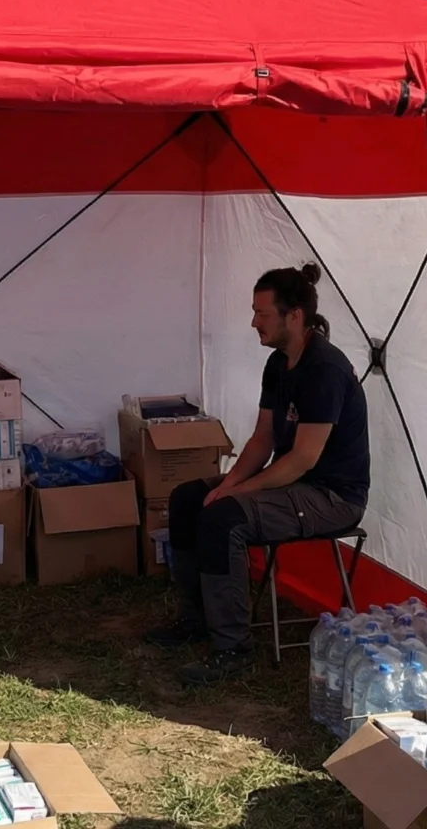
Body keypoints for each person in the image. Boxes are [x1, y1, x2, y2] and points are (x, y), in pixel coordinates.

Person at [146, 262, 370, 685]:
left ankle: (233, 648)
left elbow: (303, 459)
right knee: (188, 499)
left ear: (294, 316)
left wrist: (240, 492)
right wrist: (230, 483)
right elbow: (263, 438)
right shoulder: (278, 364)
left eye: (261, 314)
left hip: (332, 497)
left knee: (224, 519)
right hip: (295, 483)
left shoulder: (325, 369)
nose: (253, 323)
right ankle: (195, 619)